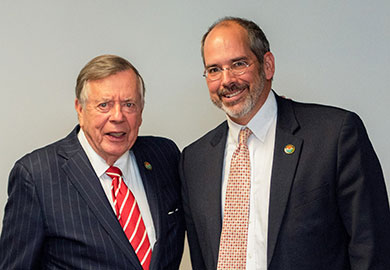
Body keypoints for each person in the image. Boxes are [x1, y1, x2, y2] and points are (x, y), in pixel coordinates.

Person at [179, 17, 390, 270]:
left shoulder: (334, 135)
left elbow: (372, 248)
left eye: (239, 64)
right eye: (214, 69)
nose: (226, 80)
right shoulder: (194, 160)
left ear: (267, 65)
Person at [0, 54, 185, 270]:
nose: (118, 116)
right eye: (104, 105)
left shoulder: (164, 156)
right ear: (80, 109)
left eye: (129, 104)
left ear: (141, 111)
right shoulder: (36, 176)